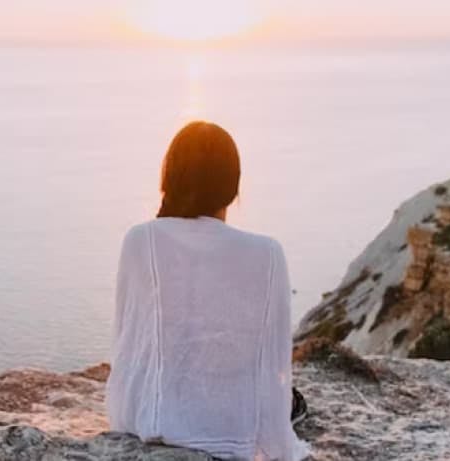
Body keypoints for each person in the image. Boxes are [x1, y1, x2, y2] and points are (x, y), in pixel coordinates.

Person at [106, 121, 309, 460]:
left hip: (154, 420)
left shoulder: (140, 240)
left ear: (169, 178)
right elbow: (273, 358)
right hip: (232, 424)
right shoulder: (268, 253)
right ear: (232, 186)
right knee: (294, 402)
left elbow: (128, 345)